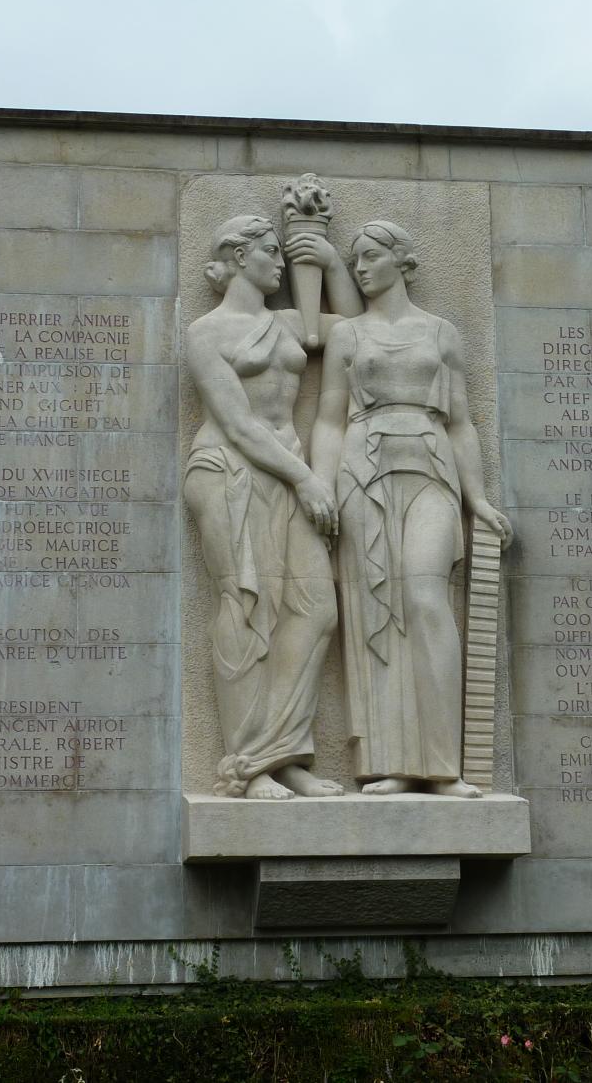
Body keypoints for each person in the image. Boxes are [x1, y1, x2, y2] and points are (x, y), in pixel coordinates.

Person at [310, 221, 512, 797]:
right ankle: (393, 763)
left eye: (371, 256)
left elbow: (463, 423)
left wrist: (477, 499)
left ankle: (442, 766)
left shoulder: (442, 333)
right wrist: (321, 487)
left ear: (402, 261)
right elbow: (327, 419)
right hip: (362, 473)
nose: (360, 268)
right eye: (354, 261)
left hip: (430, 467)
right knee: (378, 611)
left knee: (425, 599)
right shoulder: (347, 336)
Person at [184, 215, 362, 799]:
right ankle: (249, 764)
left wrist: (332, 263)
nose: (281, 263)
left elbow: (360, 334)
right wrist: (308, 480)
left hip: (291, 472)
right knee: (247, 610)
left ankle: (280, 754)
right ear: (237, 256)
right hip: (229, 471)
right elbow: (236, 423)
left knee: (315, 612)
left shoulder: (288, 322)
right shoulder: (206, 332)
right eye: (269, 251)